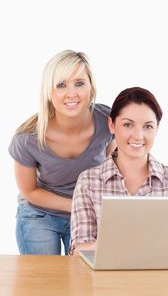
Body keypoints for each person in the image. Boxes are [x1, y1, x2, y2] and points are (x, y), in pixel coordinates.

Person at [8, 50, 116, 255]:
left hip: (87, 214)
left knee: (85, 280)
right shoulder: (27, 138)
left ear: (91, 87)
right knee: (45, 282)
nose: (71, 93)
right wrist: (79, 205)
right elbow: (29, 191)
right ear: (49, 92)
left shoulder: (106, 120)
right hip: (39, 215)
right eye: (61, 85)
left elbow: (112, 167)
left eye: (79, 83)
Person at [70, 86, 168, 255]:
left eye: (148, 126)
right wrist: (130, 242)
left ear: (157, 127)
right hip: (104, 280)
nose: (138, 135)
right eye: (128, 125)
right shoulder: (89, 182)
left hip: (162, 279)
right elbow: (78, 251)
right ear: (112, 125)